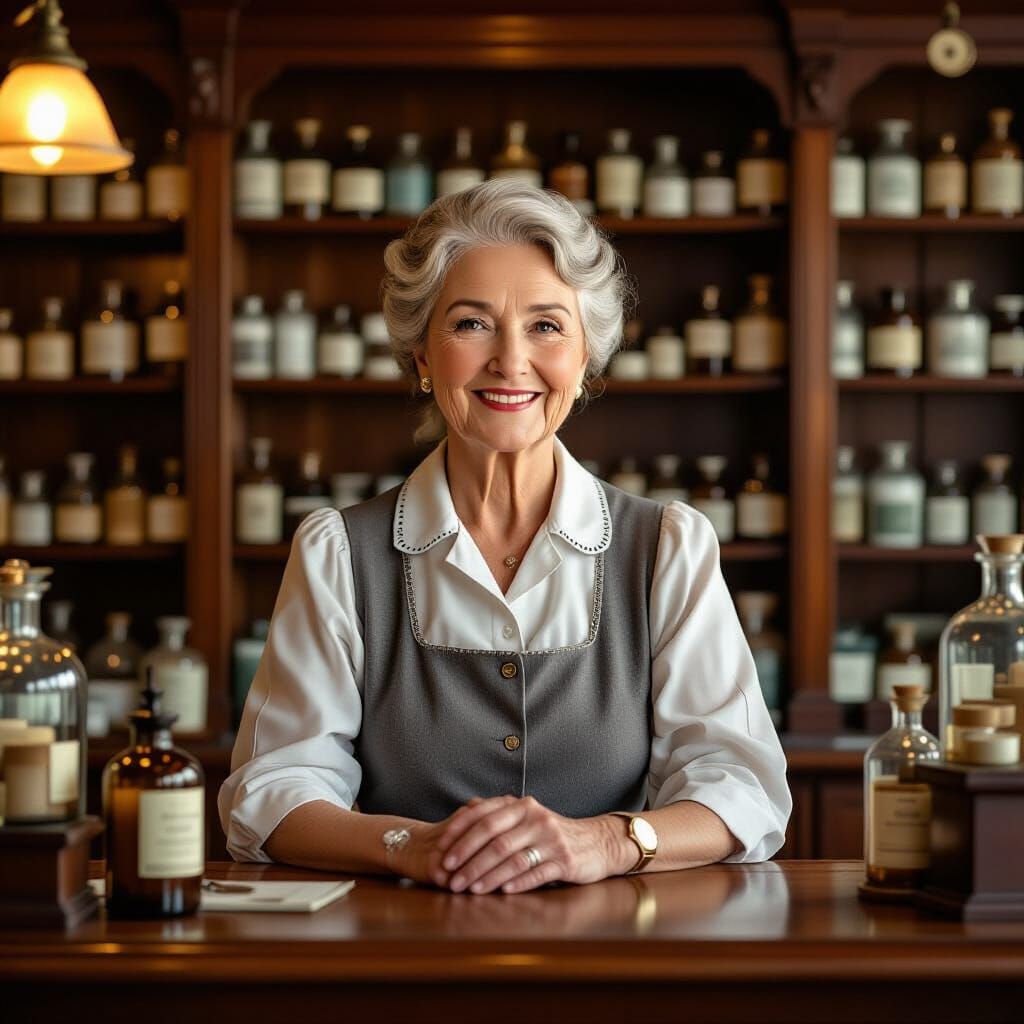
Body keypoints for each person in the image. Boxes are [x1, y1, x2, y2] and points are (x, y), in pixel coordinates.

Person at [219, 178, 791, 895]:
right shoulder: (339, 552)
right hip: (406, 956)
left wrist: (607, 843)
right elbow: (270, 793)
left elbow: (743, 789)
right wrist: (411, 847)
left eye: (547, 326)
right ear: (422, 357)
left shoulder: (666, 546)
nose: (511, 361)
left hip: (618, 961)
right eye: (471, 324)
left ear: (584, 361)